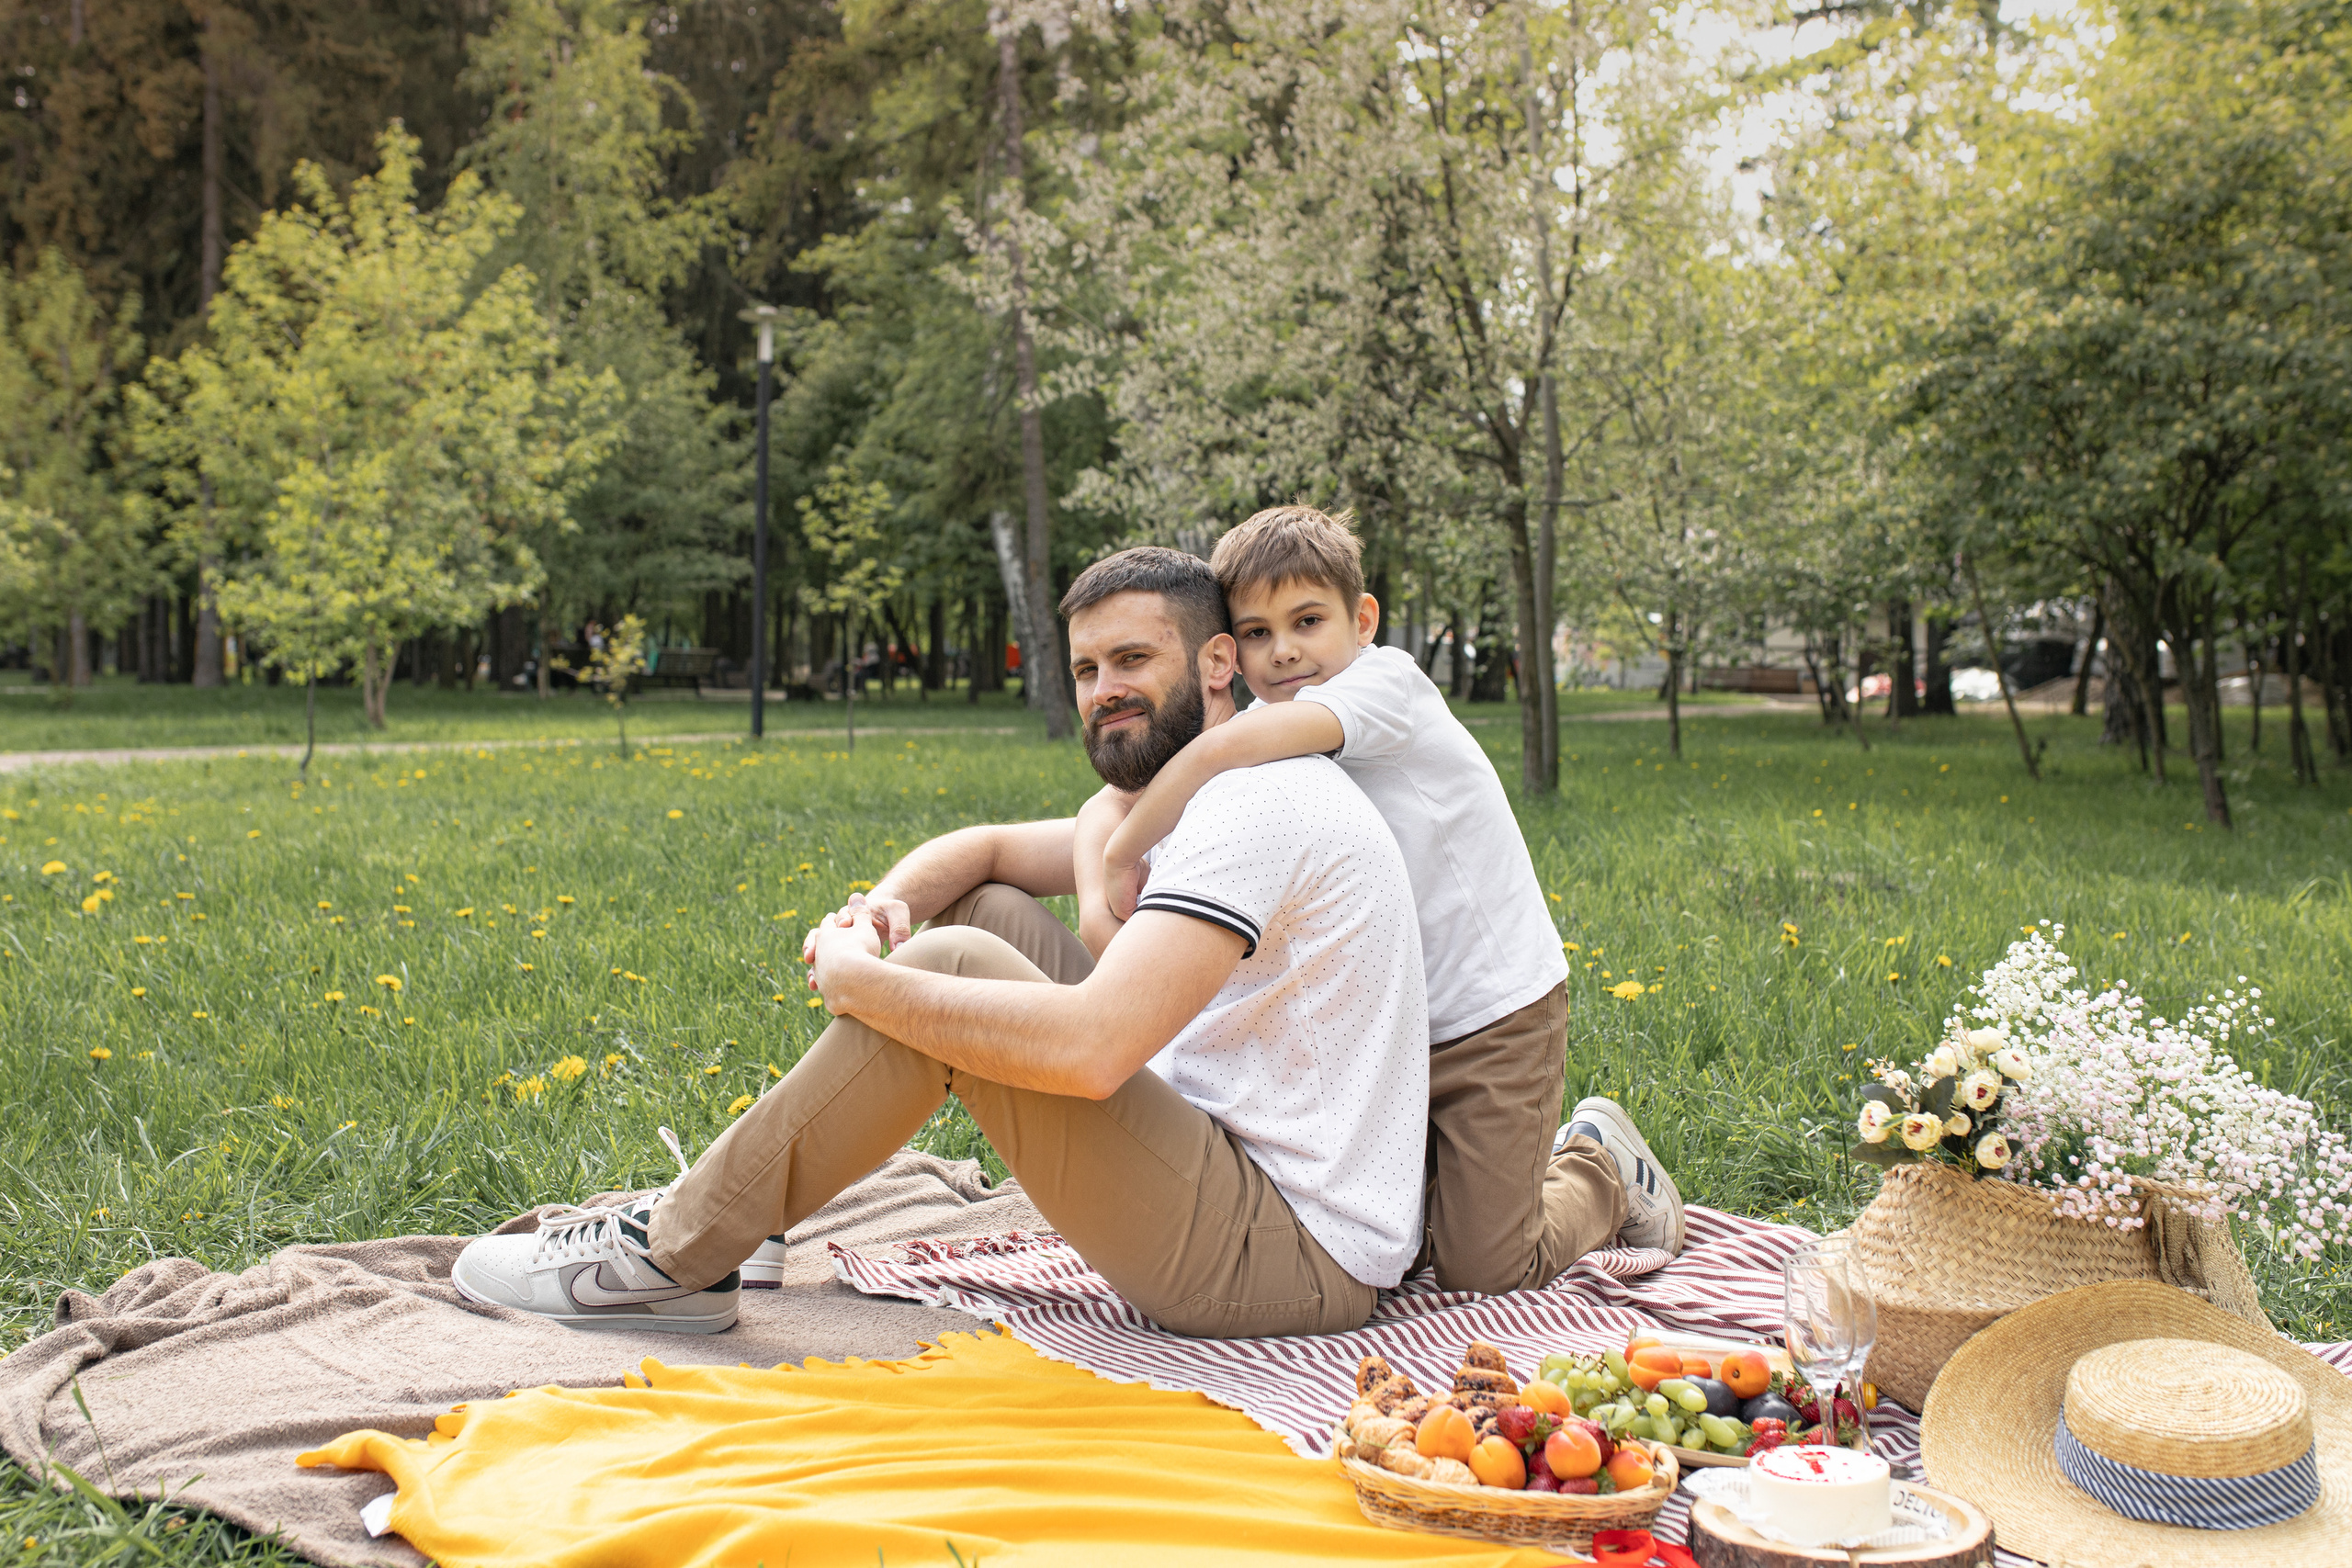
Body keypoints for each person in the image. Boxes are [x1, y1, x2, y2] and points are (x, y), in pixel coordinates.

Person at [449, 547, 1435, 1338]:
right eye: (1086, 669)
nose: (1104, 691)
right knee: (984, 909)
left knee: (952, 964)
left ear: (1217, 663)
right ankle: (753, 1211)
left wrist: (858, 982)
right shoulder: (1204, 788)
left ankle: (673, 1255)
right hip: (1223, 1156)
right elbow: (987, 850)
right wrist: (878, 916)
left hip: (1288, 1258)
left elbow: (1095, 1052)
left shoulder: (1258, 802)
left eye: (1133, 660)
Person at [1076, 505, 1683, 1297]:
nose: (1283, 649)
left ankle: (1600, 1167)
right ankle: (1458, 1200)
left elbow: (1209, 756)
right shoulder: (1267, 720)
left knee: (1488, 1264)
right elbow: (1117, 797)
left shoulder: (1385, 684)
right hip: (1384, 1030)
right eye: (1256, 632)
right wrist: (1097, 875)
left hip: (1490, 1012)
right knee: (1404, 1226)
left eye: (1307, 621)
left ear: (1361, 620)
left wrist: (1121, 853)